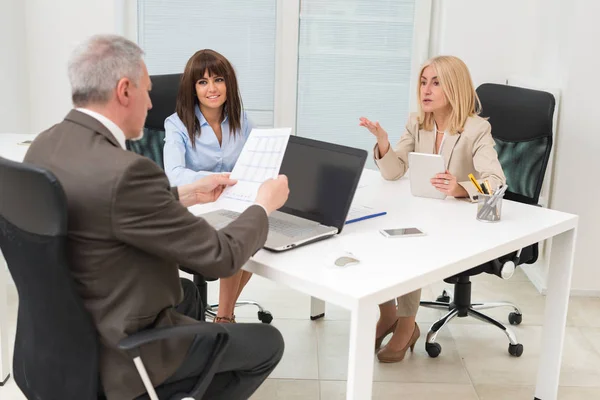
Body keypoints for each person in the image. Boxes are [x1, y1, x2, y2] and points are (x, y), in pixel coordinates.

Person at [24, 34, 289, 400]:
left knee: (188, 296)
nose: (151, 104)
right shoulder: (128, 172)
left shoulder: (44, 145)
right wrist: (262, 206)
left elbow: (106, 204)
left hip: (61, 338)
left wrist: (186, 192)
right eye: (147, 91)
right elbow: (219, 258)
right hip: (121, 350)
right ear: (124, 91)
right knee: (268, 344)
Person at [359, 55, 506, 363]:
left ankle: (407, 325)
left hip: (460, 222)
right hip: (425, 212)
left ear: (454, 87)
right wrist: (384, 144)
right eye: (423, 82)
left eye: (436, 83)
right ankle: (388, 313)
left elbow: (495, 181)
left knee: (408, 247)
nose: (426, 90)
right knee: (377, 235)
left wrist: (461, 188)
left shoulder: (476, 129)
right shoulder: (417, 122)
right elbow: (394, 171)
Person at [164, 49, 254, 324]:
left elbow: (254, 159)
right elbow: (174, 175)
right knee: (237, 237)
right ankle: (225, 318)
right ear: (193, 88)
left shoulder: (241, 119)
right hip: (197, 206)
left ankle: (224, 315)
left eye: (218, 80)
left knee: (261, 231)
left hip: (233, 202)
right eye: (202, 82)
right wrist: (211, 179)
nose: (212, 89)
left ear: (229, 84)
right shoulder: (177, 124)